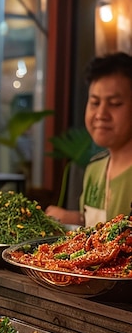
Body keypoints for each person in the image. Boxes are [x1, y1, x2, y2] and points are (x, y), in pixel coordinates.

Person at [46, 52, 132, 227]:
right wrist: (75, 218)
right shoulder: (94, 169)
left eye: (115, 103)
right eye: (94, 102)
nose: (101, 114)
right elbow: (98, 226)